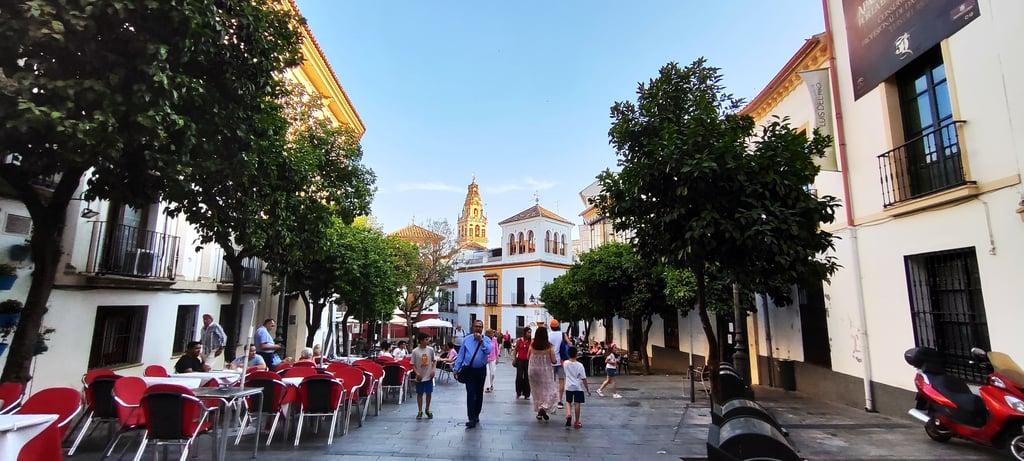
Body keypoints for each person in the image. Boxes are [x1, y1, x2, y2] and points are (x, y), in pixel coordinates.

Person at [453, 319, 491, 428]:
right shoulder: (467, 340)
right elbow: (461, 355)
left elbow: (488, 351)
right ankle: (471, 418)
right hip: (469, 370)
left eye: (480, 326)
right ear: (472, 327)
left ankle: (477, 414)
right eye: (476, 326)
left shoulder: (487, 339)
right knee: (470, 393)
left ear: (482, 328)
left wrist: (481, 342)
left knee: (479, 394)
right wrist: (456, 368)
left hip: (481, 370)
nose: (478, 328)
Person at [527, 326, 558, 422]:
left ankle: (540, 413)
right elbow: (553, 361)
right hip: (545, 372)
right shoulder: (549, 347)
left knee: (538, 392)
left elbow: (528, 357)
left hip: (532, 371)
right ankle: (543, 408)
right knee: (551, 392)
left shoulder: (532, 345)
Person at [563, 346, 591, 429]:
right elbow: (584, 379)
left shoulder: (565, 363)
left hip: (568, 386)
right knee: (577, 403)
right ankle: (577, 422)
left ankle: (568, 414)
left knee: (568, 401)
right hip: (578, 387)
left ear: (568, 354)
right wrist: (587, 389)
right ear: (576, 354)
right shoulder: (580, 365)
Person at [410, 332, 435, 419]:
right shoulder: (415, 351)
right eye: (426, 340)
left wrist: (433, 370)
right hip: (420, 375)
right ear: (421, 340)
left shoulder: (430, 350)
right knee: (419, 393)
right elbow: (412, 364)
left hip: (428, 375)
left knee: (429, 392)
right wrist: (417, 373)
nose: (428, 341)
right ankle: (420, 410)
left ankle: (427, 408)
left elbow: (434, 360)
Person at [548, 319, 568, 409]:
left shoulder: (548, 335)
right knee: (561, 380)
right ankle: (560, 401)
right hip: (561, 361)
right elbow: (570, 343)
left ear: (551, 327)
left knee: (551, 382)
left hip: (550, 361)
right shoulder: (562, 334)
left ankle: (551, 400)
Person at [513, 327, 532, 399]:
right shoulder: (519, 340)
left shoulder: (531, 342)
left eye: (530, 332)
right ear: (525, 333)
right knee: (519, 376)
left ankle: (526, 394)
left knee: (527, 377)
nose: (529, 334)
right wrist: (514, 358)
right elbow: (515, 350)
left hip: (528, 361)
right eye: (528, 332)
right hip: (520, 360)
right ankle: (518, 392)